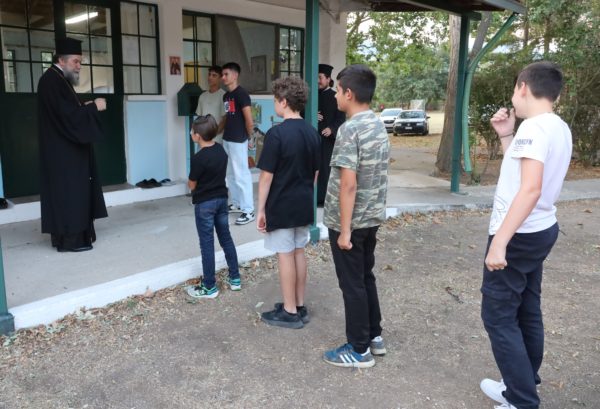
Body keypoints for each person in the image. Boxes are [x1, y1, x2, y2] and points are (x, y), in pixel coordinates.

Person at [479, 62, 572, 409]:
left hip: (518, 234)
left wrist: (500, 242)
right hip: (540, 228)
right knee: (526, 309)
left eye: (514, 91)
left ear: (522, 87)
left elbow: (530, 189)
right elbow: (521, 174)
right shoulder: (556, 126)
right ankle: (520, 383)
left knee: (498, 315)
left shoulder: (534, 127)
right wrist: (506, 135)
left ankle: (520, 399)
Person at [322, 65, 389, 368]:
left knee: (352, 284)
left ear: (348, 93)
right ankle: (374, 335)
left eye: (337, 90)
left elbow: (348, 184)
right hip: (371, 217)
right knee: (365, 277)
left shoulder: (349, 130)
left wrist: (345, 230)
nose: (335, 95)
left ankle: (359, 349)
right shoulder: (377, 124)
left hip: (350, 222)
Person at [256, 77, 320, 329]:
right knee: (298, 251)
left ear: (283, 102)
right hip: (303, 203)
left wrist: (261, 209)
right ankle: (299, 305)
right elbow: (315, 174)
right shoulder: (312, 133)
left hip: (281, 204)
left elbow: (266, 177)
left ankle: (289, 311)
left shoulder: (276, 134)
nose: (275, 104)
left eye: (275, 100)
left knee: (285, 254)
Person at [37, 37, 108, 253]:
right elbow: (67, 117)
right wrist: (94, 107)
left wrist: (85, 105)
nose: (79, 66)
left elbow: (68, 110)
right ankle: (71, 241)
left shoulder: (58, 78)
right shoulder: (51, 80)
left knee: (71, 192)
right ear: (62, 60)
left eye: (80, 61)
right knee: (70, 193)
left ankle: (72, 237)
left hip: (64, 149)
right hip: (63, 153)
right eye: (76, 61)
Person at [186, 115, 241, 299]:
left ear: (198, 136)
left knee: (207, 244)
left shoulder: (198, 158)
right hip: (221, 200)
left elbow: (192, 184)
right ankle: (235, 278)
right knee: (226, 238)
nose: (191, 133)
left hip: (205, 205)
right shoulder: (220, 150)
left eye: (192, 131)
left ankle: (209, 286)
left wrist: (192, 185)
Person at [221, 62, 255, 225]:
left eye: (226, 74)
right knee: (230, 174)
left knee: (241, 175)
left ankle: (249, 210)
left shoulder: (242, 94)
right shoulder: (226, 96)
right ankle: (237, 203)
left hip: (239, 140)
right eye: (222, 74)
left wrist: (250, 138)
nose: (223, 77)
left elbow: (249, 119)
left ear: (235, 75)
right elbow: (228, 116)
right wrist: (217, 130)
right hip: (227, 138)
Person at [316, 64, 345, 206]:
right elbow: (301, 113)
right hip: (313, 139)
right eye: (316, 78)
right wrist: (312, 114)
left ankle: (324, 199)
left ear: (328, 79)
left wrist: (331, 129)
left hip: (328, 141)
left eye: (320, 78)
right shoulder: (311, 96)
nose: (318, 81)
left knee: (325, 170)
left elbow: (341, 119)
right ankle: (314, 197)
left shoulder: (335, 97)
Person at [196, 65, 225, 144]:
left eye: (214, 75)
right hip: (203, 139)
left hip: (217, 139)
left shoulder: (224, 96)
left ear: (220, 79)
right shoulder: (202, 96)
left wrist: (213, 135)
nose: (210, 77)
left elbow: (225, 119)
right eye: (209, 75)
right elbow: (199, 118)